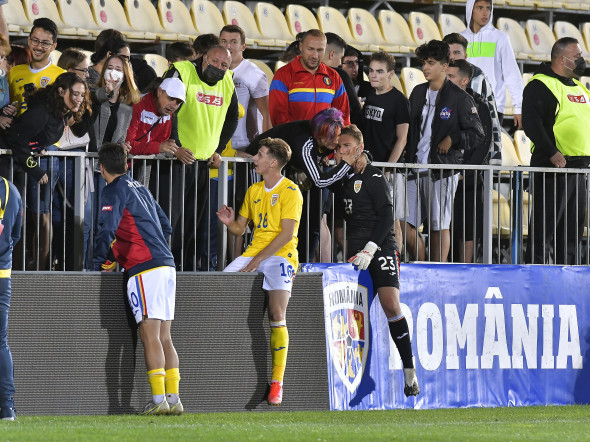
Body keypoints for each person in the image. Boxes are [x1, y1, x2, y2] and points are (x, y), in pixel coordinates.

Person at [330, 124, 419, 397]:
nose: (339, 151)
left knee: (391, 305)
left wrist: (372, 247)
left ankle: (409, 369)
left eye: (345, 146)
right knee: (353, 313)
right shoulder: (342, 178)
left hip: (379, 248)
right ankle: (360, 376)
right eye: (337, 147)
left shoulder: (375, 176)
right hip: (355, 252)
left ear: (358, 147)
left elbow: (386, 215)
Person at [93, 143, 182, 415]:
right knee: (165, 337)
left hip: (145, 268)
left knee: (149, 334)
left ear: (101, 168)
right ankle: (174, 399)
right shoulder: (142, 188)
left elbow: (107, 227)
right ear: (128, 164)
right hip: (166, 265)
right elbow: (166, 226)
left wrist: (101, 259)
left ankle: (158, 402)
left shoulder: (113, 189)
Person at [217, 137, 303, 406]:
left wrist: (258, 260)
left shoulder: (291, 191)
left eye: (260, 154)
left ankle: (277, 382)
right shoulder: (253, 190)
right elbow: (241, 229)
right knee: (219, 288)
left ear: (273, 162)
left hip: (281, 256)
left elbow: (287, 234)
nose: (254, 158)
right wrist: (230, 223)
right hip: (254, 254)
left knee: (277, 313)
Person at [401, 40, 484, 262]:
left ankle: (436, 268)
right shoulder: (418, 92)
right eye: (423, 63)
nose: (425, 68)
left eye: (431, 63)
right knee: (402, 223)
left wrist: (453, 138)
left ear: (444, 66)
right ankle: (422, 263)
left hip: (441, 170)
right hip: (414, 168)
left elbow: (478, 134)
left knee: (439, 225)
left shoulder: (460, 98)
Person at [246, 108, 365, 263]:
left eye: (336, 137)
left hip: (284, 170)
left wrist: (364, 155)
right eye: (330, 139)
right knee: (263, 219)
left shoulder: (329, 135)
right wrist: (346, 164)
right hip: (257, 166)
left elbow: (353, 140)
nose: (335, 143)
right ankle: (250, 260)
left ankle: (303, 263)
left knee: (310, 221)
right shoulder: (305, 143)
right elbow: (319, 181)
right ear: (319, 135)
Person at [163, 45, 239, 269]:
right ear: (204, 58)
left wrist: (219, 148)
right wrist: (176, 145)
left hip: (203, 164)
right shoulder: (182, 70)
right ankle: (163, 264)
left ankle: (185, 269)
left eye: (224, 65)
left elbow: (232, 117)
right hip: (174, 162)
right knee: (170, 219)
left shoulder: (227, 81)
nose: (219, 68)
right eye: (215, 61)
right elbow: (168, 106)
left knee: (193, 222)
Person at [5, 72, 89, 270]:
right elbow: (15, 136)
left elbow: (33, 138)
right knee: (24, 222)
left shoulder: (62, 112)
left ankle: (39, 274)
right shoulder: (43, 111)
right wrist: (35, 168)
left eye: (82, 95)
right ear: (61, 92)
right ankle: (20, 273)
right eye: (75, 94)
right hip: (16, 169)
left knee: (40, 220)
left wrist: (37, 146)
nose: (79, 99)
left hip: (26, 166)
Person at [523, 37, 590, 265]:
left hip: (579, 168)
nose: (582, 60)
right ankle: (536, 273)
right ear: (562, 60)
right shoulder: (540, 84)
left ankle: (568, 276)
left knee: (572, 230)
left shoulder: (579, 86)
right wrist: (552, 152)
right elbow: (532, 124)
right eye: (578, 56)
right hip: (553, 166)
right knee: (545, 228)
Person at [71, 54, 140, 269]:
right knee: (87, 223)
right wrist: (106, 93)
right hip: (89, 170)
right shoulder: (93, 97)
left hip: (111, 174)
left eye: (118, 69)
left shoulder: (128, 108)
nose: (113, 72)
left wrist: (123, 147)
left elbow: (120, 139)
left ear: (125, 75)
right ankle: (82, 268)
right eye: (109, 67)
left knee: (108, 224)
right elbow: (94, 102)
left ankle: (101, 265)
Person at [446, 59, 493, 263]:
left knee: (468, 227)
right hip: (444, 175)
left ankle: (465, 268)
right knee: (445, 225)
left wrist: (467, 171)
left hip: (469, 180)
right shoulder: (441, 101)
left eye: (451, 77)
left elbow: (484, 141)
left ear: (465, 80)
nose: (447, 80)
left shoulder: (480, 106)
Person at [363, 51, 410, 249]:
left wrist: (388, 168)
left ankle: (396, 262)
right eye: (371, 71)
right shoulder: (367, 94)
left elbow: (402, 139)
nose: (373, 75)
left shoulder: (399, 101)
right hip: (366, 167)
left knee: (393, 220)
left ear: (390, 74)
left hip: (390, 170)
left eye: (379, 71)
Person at [460, 0, 523, 129]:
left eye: (488, 8)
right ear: (470, 9)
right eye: (480, 8)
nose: (485, 13)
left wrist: (519, 107)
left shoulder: (501, 38)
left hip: (493, 106)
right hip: (463, 104)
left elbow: (512, 74)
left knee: (489, 149)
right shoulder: (460, 39)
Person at [269, 29, 350, 126]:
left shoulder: (334, 76)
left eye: (320, 50)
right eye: (310, 49)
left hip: (326, 140)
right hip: (293, 140)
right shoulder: (282, 75)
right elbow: (278, 119)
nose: (315, 56)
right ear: (301, 47)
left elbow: (343, 117)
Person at [443, 32, 502, 163]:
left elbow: (483, 126)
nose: (452, 57)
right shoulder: (440, 77)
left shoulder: (476, 79)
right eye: (448, 53)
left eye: (456, 53)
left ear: (465, 56)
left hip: (470, 160)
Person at [8, 18, 64, 115]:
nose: (38, 47)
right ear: (29, 40)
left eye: (45, 43)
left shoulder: (61, 76)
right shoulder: (14, 72)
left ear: (53, 46)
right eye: (35, 40)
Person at [0, 175, 22, 421]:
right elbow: (15, 234)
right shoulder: (11, 191)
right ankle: (7, 409)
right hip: (2, 275)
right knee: (0, 343)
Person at [322, 33, 362, 127]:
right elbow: (354, 108)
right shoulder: (340, 74)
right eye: (340, 58)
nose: (340, 63)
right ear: (332, 54)